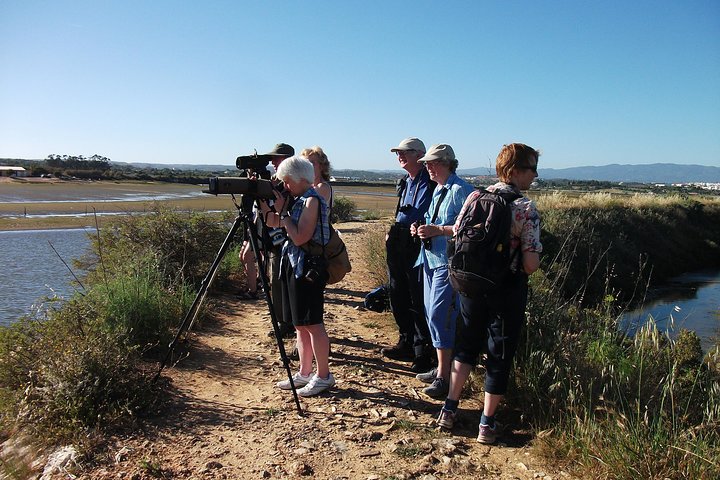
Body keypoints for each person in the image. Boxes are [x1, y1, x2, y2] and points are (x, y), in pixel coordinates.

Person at [436, 143, 542, 444]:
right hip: (506, 289)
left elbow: (457, 233)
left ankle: (449, 409)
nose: (535, 175)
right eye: (531, 168)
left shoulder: (474, 197)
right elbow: (531, 264)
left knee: (466, 345)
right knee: (499, 353)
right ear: (516, 171)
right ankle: (486, 424)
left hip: (471, 284)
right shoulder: (525, 209)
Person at [260, 156, 335, 397]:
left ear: (302, 180)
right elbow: (274, 222)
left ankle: (324, 376)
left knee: (313, 323)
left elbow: (300, 236)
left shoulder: (312, 200)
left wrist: (282, 213)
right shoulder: (298, 200)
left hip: (308, 269)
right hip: (294, 265)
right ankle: (304, 372)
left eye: (287, 181)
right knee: (299, 325)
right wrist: (265, 202)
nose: (285, 186)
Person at [410, 145, 474, 398]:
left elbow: (469, 229)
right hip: (429, 258)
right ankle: (440, 368)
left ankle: (444, 377)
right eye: (427, 163)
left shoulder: (462, 191)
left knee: (440, 315)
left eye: (432, 163)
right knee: (431, 313)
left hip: (448, 262)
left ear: (447, 163)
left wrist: (438, 230)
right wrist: (421, 228)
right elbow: (434, 220)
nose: (428, 167)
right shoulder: (439, 189)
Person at [381, 137, 436, 372]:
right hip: (399, 237)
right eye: (398, 153)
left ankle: (422, 351)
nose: (400, 156)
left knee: (417, 294)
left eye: (405, 152)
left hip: (418, 240)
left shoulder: (430, 180)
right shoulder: (406, 181)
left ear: (420, 155)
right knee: (397, 291)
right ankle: (405, 340)